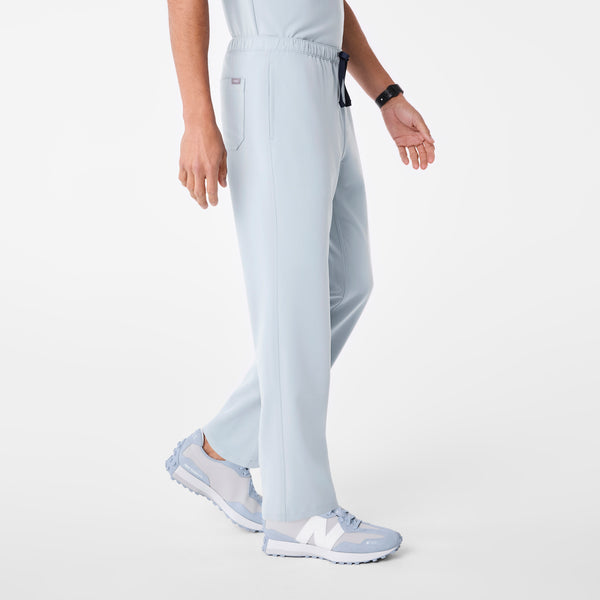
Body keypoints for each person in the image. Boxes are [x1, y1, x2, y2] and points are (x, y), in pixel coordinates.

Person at [164, 0, 435, 564]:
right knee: (292, 302)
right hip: (273, 77)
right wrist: (196, 116)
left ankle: (220, 449)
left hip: (324, 78)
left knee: (347, 284)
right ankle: (298, 510)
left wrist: (386, 94)